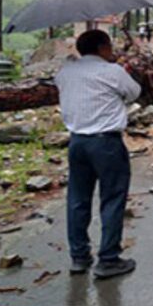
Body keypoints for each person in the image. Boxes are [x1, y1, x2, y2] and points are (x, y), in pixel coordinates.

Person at [54, 30, 142, 279]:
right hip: (106, 144)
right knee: (112, 198)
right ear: (102, 47)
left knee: (78, 200)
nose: (112, 50)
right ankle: (108, 259)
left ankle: (79, 258)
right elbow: (134, 93)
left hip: (77, 142)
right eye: (109, 46)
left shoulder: (65, 71)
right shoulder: (111, 71)